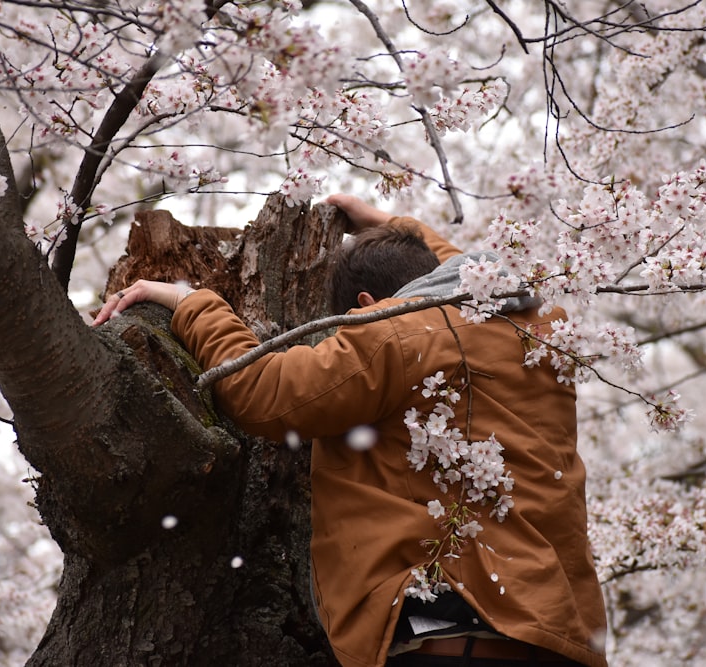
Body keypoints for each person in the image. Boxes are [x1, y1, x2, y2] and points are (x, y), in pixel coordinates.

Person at [92, 195, 609, 667]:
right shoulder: (540, 332)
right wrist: (399, 227)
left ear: (364, 307)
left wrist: (191, 301)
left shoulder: (396, 337)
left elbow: (262, 390)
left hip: (452, 632)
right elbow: (470, 276)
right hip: (552, 631)